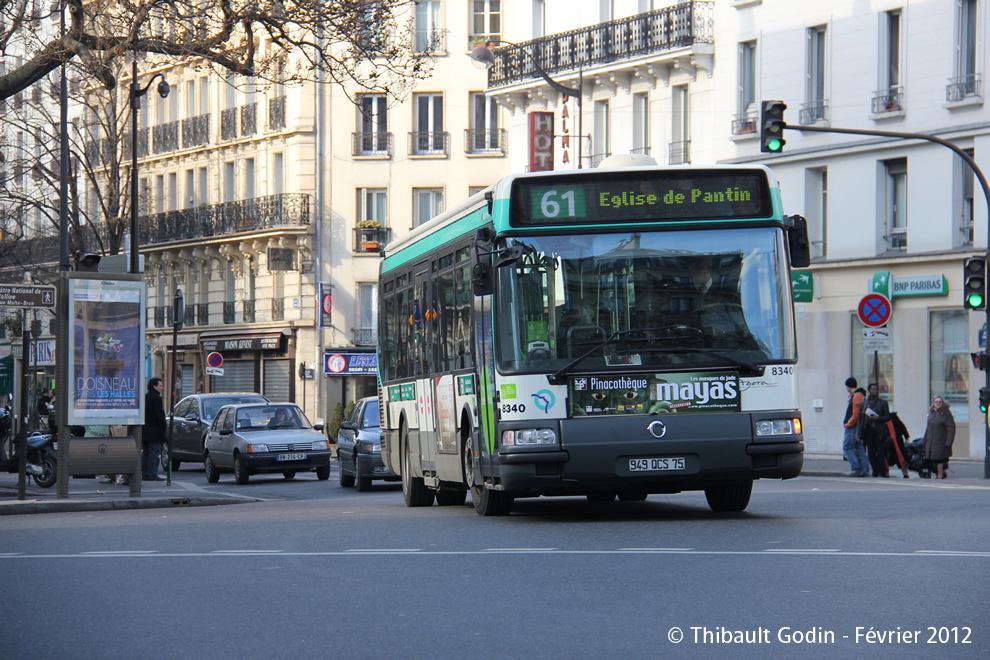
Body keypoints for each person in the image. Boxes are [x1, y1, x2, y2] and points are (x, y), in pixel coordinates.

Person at [856, 382, 891, 477]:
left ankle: (882, 471)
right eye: (873, 389)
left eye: (876, 389)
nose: (875, 391)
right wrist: (858, 433)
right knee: (870, 452)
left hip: (879, 430)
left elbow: (888, 417)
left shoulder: (882, 403)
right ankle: (875, 470)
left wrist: (878, 418)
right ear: (869, 391)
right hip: (868, 430)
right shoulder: (864, 403)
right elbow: (860, 418)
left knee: (880, 452)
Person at [841, 377, 870, 477]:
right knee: (858, 447)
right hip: (857, 426)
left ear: (848, 386)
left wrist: (848, 424)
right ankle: (864, 469)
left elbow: (856, 414)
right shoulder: (860, 395)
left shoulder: (856, 396)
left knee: (847, 447)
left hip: (853, 427)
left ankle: (857, 469)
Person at [922, 395, 955, 479]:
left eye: (939, 402)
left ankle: (940, 475)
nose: (938, 403)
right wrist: (925, 439)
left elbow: (951, 428)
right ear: (933, 403)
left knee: (939, 459)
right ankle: (935, 474)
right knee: (931, 459)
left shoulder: (946, 414)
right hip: (931, 441)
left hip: (941, 441)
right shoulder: (931, 413)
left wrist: (949, 442)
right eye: (936, 402)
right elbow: (928, 428)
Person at [142, 378, 167, 481]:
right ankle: (152, 473)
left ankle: (145, 473)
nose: (162, 388)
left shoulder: (145, 397)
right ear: (154, 386)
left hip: (145, 431)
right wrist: (163, 426)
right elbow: (159, 416)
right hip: (155, 431)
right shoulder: (156, 399)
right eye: (160, 385)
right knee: (154, 454)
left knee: (146, 453)